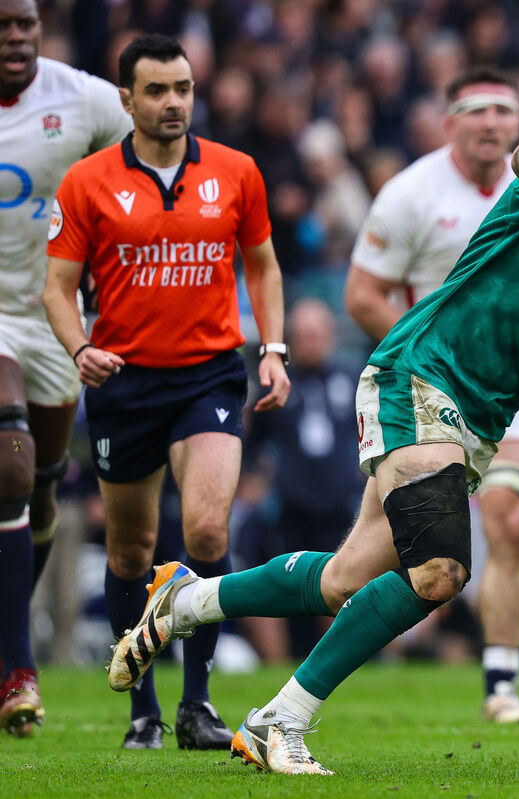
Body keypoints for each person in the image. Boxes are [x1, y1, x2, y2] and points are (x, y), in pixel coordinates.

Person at [106, 64, 519, 775]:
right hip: (421, 377)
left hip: (479, 417)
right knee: (439, 570)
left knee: (344, 579)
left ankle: (186, 599)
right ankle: (280, 718)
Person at [41, 35, 290, 750]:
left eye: (182, 87)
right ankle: (141, 707)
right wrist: (79, 346)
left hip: (209, 372)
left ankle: (198, 704)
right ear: (126, 100)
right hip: (124, 379)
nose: (174, 102)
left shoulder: (237, 171)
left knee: (210, 531)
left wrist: (270, 350)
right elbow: (57, 289)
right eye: (156, 90)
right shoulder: (87, 182)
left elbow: (264, 266)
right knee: (130, 550)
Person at [343, 66, 519, 723]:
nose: (490, 122)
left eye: (503, 111)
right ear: (450, 121)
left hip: (512, 389)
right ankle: (210, 601)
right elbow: (363, 293)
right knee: (363, 560)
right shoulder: (410, 193)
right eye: (475, 110)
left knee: (508, 517)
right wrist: (423, 344)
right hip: (427, 383)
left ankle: (502, 682)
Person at [0, 0, 131, 738]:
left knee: (39, 489)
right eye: (2, 27)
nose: (16, 39)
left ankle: (4, 642)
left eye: (26, 25)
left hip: (53, 315)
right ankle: (18, 666)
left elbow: (147, 158)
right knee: (12, 465)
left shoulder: (79, 97)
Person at [236, 299, 362, 662]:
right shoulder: (276, 384)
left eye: (317, 334)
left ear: (332, 336)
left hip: (342, 507)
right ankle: (276, 666)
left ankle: (335, 666)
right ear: (291, 340)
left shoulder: (352, 379)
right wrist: (251, 482)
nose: (311, 342)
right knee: (274, 582)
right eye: (304, 336)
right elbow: (252, 442)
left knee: (344, 586)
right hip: (289, 509)